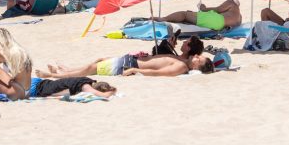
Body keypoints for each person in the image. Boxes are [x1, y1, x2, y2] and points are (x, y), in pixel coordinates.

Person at [38, 52, 212, 78]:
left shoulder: (182, 67)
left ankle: (55, 76)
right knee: (98, 61)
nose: (196, 56)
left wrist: (136, 69)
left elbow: (162, 73)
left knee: (92, 69)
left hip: (130, 65)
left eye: (199, 59)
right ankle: (67, 69)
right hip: (132, 60)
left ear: (197, 67)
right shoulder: (183, 60)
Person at [160, 0, 242, 31]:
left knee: (184, 14)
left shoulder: (231, 2)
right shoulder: (239, 17)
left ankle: (164, 19)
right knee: (190, 16)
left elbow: (217, 10)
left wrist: (203, 8)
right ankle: (190, 16)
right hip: (219, 26)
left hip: (216, 20)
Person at [30, 77, 116, 99]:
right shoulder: (86, 87)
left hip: (39, 81)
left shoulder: (88, 80)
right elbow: (104, 95)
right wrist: (112, 91)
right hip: (34, 89)